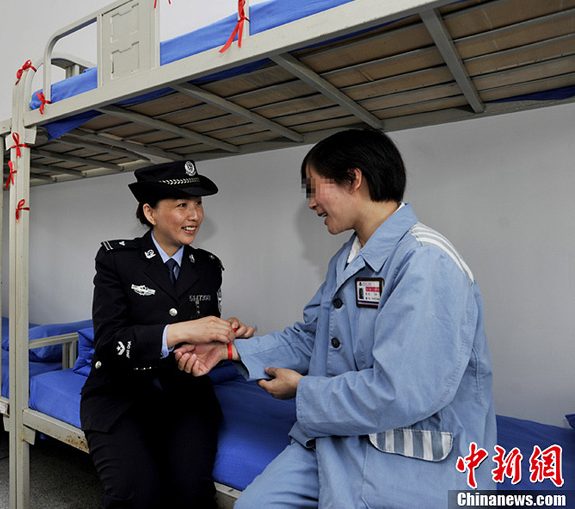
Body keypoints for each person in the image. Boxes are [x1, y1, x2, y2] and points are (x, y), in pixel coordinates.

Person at [175, 129, 496, 508]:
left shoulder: (427, 262)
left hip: (405, 456)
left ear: (353, 179)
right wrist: (230, 351)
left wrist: (303, 390)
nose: (311, 204)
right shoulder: (347, 260)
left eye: (313, 189)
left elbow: (402, 391)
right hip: (338, 435)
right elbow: (312, 336)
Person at [80, 160, 250, 509]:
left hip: (186, 395)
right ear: (150, 212)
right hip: (121, 395)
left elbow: (200, 338)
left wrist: (222, 333)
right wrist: (182, 330)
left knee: (193, 495)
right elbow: (110, 343)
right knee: (135, 494)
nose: (195, 215)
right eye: (181, 205)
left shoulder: (207, 267)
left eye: (198, 204)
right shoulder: (117, 260)